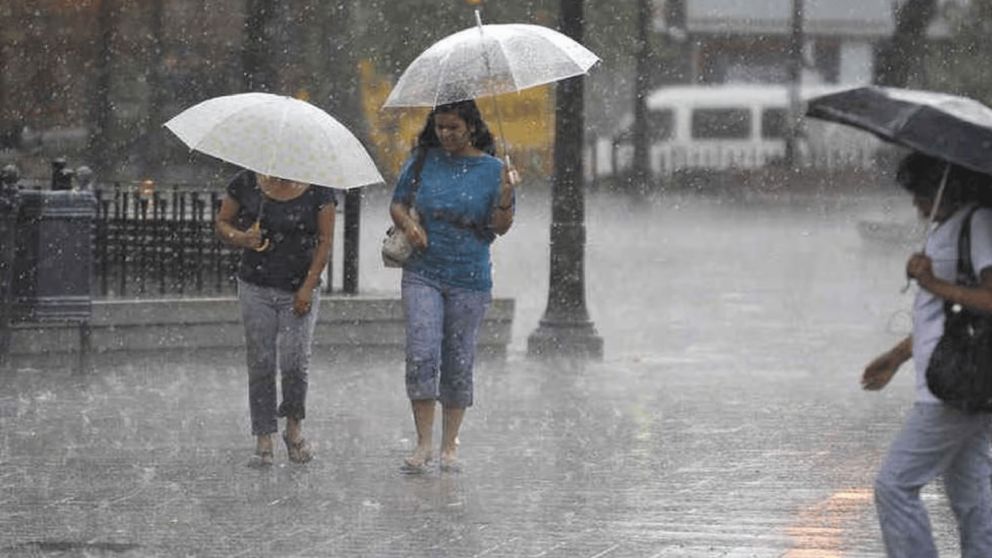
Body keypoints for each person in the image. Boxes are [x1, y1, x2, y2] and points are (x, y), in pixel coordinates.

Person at [862, 152, 992, 556]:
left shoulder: (979, 222)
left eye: (920, 193)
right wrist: (898, 356)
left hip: (953, 385)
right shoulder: (952, 227)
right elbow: (946, 318)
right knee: (971, 494)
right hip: (957, 378)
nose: (916, 204)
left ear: (946, 187)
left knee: (895, 485)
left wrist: (931, 281)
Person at [389, 99, 517, 473]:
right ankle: (423, 442)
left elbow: (500, 227)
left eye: (454, 128)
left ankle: (449, 446)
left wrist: (507, 195)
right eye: (441, 127)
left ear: (471, 128)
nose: (446, 134)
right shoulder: (423, 159)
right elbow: (398, 204)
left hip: (469, 277)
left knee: (458, 358)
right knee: (421, 351)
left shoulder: (494, 170)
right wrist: (411, 226)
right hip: (423, 270)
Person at [216, 170, 336, 466]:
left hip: (298, 288)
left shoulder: (319, 190)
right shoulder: (245, 182)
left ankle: (293, 429)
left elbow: (325, 241)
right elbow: (222, 223)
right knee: (261, 361)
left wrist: (308, 286)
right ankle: (263, 438)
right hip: (255, 286)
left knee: (295, 361)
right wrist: (242, 237)